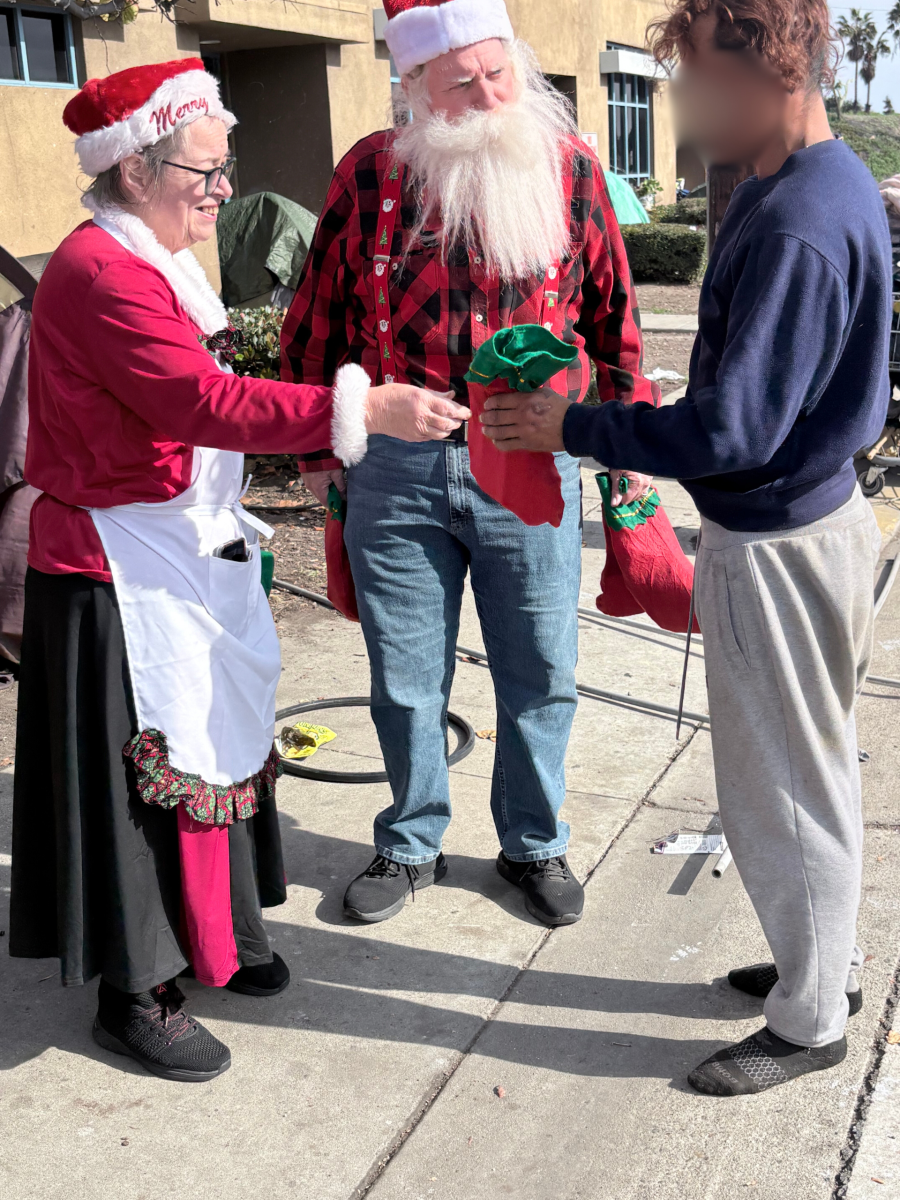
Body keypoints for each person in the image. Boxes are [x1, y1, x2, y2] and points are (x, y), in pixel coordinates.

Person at [9, 58, 468, 1084]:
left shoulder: (158, 259)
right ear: (136, 171)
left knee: (217, 740)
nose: (224, 190)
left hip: (174, 544)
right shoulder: (102, 273)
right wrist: (360, 408)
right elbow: (196, 402)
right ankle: (137, 992)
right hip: (114, 566)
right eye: (205, 172)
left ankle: (221, 934)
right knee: (145, 784)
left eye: (226, 169)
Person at [480, 0, 893, 1096]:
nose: (684, 104)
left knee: (782, 792)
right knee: (808, 773)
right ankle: (824, 969)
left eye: (698, 77)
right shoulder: (809, 182)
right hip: (810, 523)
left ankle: (811, 1021)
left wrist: (573, 427)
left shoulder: (800, 219)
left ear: (771, 67)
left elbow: (729, 431)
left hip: (780, 545)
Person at [282, 0, 658, 929]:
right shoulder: (370, 172)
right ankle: (412, 840)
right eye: (462, 83)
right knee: (405, 675)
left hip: (530, 459)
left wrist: (628, 444)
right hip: (395, 467)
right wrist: (318, 449)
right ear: (415, 88)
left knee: (541, 667)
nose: (490, 96)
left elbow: (612, 316)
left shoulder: (570, 168)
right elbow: (317, 318)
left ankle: (534, 842)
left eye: (499, 73)